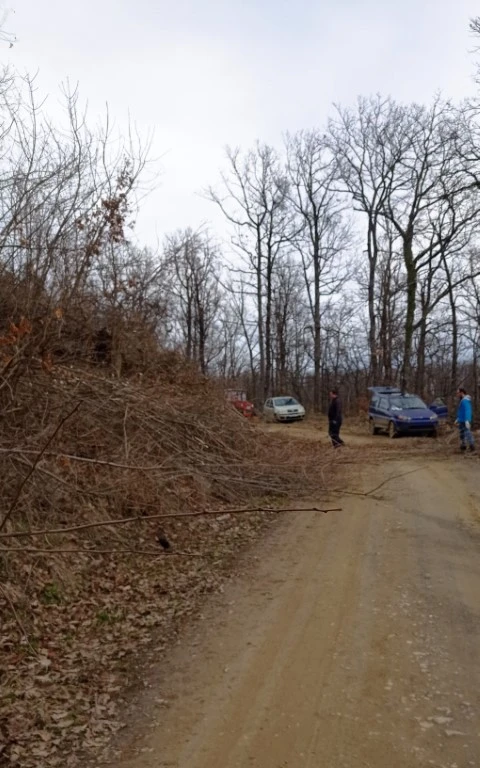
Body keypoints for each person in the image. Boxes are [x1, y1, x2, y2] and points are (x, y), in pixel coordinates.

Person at [455, 387, 475, 453]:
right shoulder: (462, 400)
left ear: (462, 393)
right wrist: (458, 419)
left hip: (465, 420)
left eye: (458, 393)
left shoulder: (465, 401)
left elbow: (467, 410)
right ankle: (463, 446)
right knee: (462, 434)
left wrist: (467, 420)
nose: (457, 394)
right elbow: (461, 411)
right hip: (461, 420)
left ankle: (472, 446)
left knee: (467, 433)